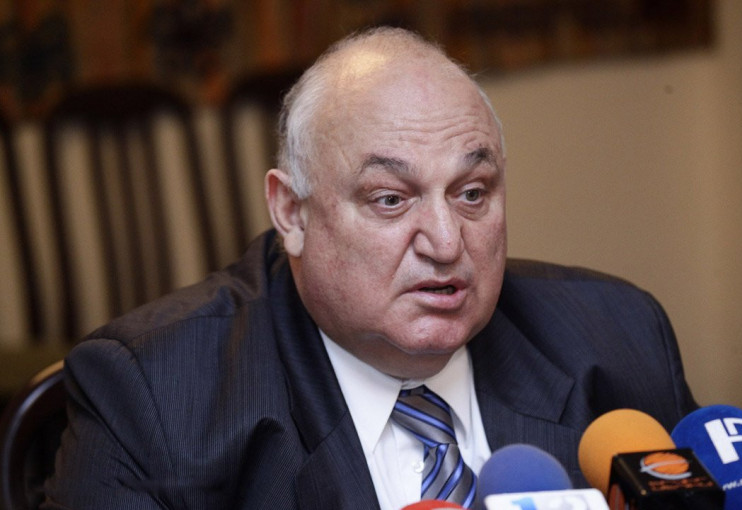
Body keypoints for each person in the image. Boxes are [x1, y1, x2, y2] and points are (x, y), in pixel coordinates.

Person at [43, 27, 696, 510]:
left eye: (471, 193)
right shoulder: (153, 395)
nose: (446, 242)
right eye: (390, 200)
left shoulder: (617, 338)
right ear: (292, 212)